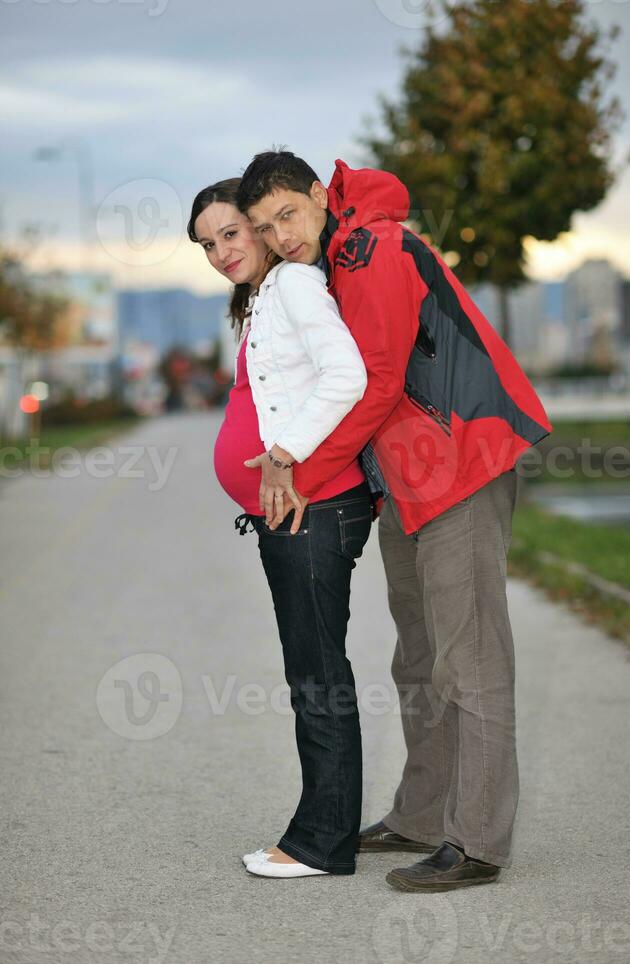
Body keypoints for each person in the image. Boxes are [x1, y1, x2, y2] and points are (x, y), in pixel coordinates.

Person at [236, 151, 553, 892]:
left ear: (320, 195)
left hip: (460, 464)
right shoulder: (333, 262)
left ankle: (476, 842)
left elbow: (374, 382)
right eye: (264, 227)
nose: (281, 236)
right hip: (408, 481)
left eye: (288, 214)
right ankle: (420, 814)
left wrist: (300, 471)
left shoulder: (372, 247)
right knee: (417, 658)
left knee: (467, 658)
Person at [188, 178, 374, 879]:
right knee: (313, 673)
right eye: (208, 244)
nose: (220, 251)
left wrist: (283, 457)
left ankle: (321, 843)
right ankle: (325, 831)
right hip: (298, 510)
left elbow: (346, 374)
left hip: (315, 508)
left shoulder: (295, 284)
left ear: (262, 226)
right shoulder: (266, 296)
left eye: (232, 233)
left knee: (319, 677)